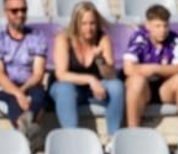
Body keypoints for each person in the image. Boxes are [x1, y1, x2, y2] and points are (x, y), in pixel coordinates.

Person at [50, 2, 125, 138]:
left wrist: (100, 60)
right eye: (84, 23)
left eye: (92, 23)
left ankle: (113, 137)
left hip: (95, 91)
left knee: (117, 86)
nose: (88, 28)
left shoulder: (103, 38)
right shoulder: (63, 39)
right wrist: (91, 79)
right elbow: (61, 74)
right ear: (76, 23)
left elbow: (111, 75)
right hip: (69, 88)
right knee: (64, 89)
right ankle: (72, 138)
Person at [0, 0, 50, 148]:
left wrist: (23, 90)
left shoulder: (37, 36)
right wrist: (19, 94)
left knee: (40, 96)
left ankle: (24, 131)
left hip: (28, 83)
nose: (20, 14)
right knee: (14, 101)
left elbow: (38, 73)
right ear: (6, 12)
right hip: (0, 85)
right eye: (14, 11)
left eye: (23, 10)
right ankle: (30, 137)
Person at [122, 5, 178, 130]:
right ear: (148, 25)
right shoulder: (139, 39)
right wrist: (162, 70)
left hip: (164, 88)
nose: (162, 30)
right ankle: (132, 131)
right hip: (143, 90)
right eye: (158, 26)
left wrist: (154, 69)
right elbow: (128, 69)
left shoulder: (174, 39)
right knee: (136, 81)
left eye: (165, 25)